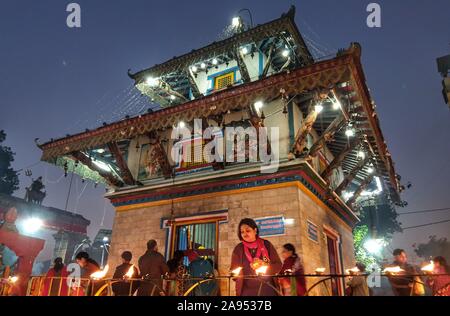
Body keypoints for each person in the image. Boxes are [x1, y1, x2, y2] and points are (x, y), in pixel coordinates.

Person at [230, 218, 282, 296]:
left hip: (268, 288)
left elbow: (278, 265)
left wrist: (265, 266)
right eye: (242, 232)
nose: (245, 234)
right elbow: (233, 271)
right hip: (246, 291)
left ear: (255, 230)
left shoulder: (266, 245)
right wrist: (235, 274)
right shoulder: (238, 249)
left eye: (248, 231)